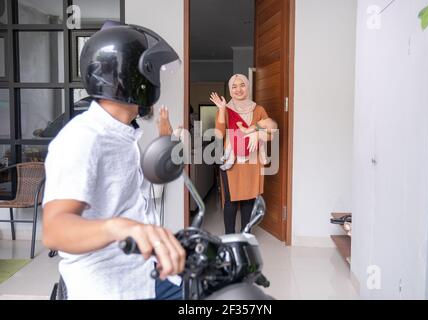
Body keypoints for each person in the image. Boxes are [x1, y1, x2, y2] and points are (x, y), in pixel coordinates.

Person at [42, 22, 185, 300]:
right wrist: (121, 227)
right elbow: (55, 229)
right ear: (133, 77)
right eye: (152, 74)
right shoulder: (84, 138)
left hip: (141, 270)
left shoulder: (122, 134)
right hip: (106, 286)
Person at [210, 74, 276, 234]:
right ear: (230, 90)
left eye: (242, 85)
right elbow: (219, 133)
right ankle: (230, 238)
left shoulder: (259, 110)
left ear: (248, 87)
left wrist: (257, 134)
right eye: (234, 86)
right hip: (231, 162)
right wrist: (221, 109)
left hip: (252, 163)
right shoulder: (225, 110)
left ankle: (245, 236)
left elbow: (271, 133)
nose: (238, 89)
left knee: (249, 201)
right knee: (231, 202)